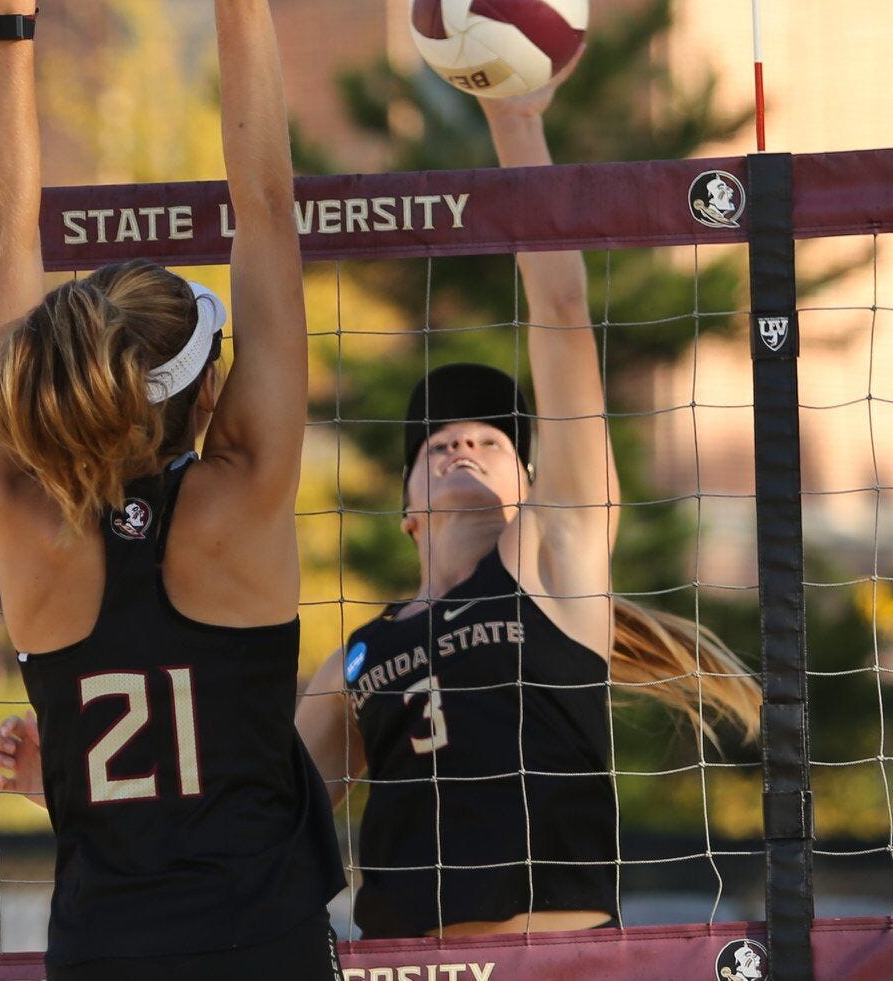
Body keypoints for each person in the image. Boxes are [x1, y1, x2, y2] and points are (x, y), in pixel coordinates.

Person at [0, 0, 342, 979]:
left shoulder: (26, 524)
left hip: (105, 950)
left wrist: (7, 22)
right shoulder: (242, 494)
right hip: (261, 943)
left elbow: (2, 237)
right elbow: (266, 209)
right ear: (206, 394)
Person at [293, 68, 763, 939]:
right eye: (437, 444)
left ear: (530, 489)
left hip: (559, 958)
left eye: (491, 439)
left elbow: (559, 305)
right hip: (407, 963)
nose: (463, 442)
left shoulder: (553, 562)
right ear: (407, 511)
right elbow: (268, 822)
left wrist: (515, 124)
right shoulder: (357, 658)